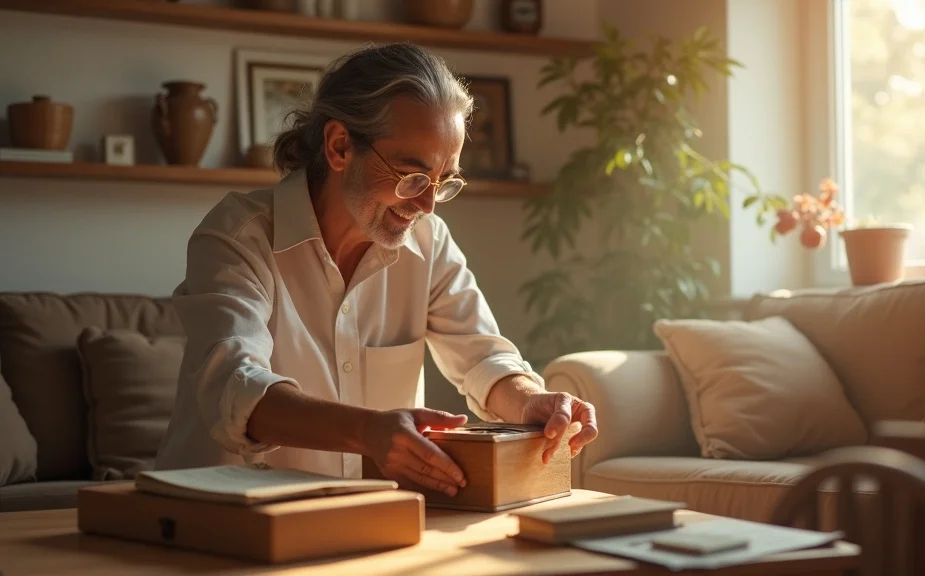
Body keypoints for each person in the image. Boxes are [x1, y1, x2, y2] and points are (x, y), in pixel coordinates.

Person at [154, 43, 598, 498]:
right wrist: (369, 431)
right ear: (340, 146)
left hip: (366, 519)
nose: (426, 205)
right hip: (218, 519)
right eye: (413, 175)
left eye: (444, 182)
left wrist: (529, 400)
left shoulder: (430, 242)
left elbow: (483, 358)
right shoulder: (237, 236)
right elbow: (237, 389)